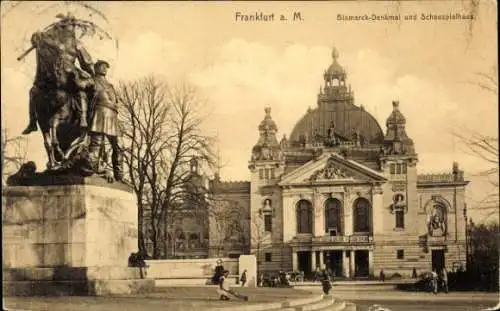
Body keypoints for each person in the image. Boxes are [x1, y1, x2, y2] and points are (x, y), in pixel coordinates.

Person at [23, 14, 94, 135]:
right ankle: (83, 119)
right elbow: (87, 63)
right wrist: (36, 37)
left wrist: (37, 36)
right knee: (80, 89)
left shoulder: (67, 42)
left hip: (62, 74)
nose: (71, 29)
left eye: (71, 26)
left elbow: (86, 62)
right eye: (70, 26)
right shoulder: (56, 41)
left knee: (33, 92)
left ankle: (33, 122)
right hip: (64, 74)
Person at [87, 60, 123, 180]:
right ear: (96, 68)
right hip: (99, 113)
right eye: (102, 66)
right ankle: (91, 171)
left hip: (112, 116)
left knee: (118, 146)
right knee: (97, 143)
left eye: (106, 67)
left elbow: (115, 101)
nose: (104, 69)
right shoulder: (91, 80)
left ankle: (119, 176)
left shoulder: (110, 85)